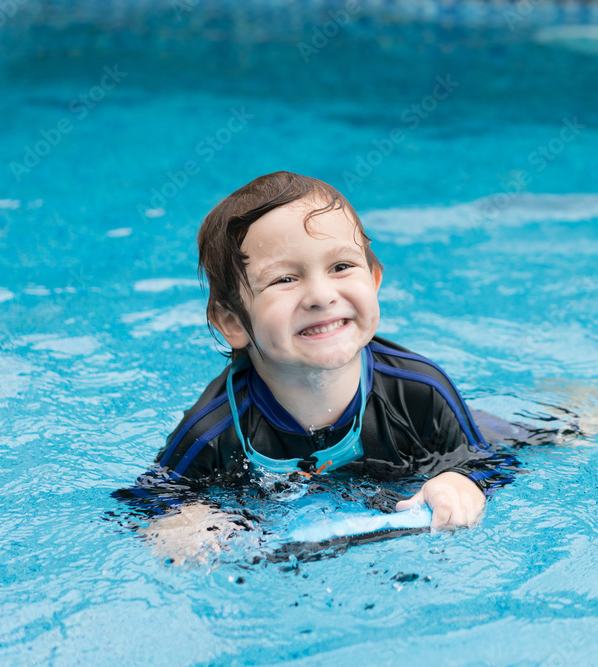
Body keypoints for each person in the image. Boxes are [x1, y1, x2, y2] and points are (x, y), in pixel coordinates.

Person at [134, 171, 516, 562]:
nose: (320, 295)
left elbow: (489, 462)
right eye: (284, 278)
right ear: (232, 321)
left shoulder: (420, 392)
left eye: (341, 267)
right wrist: (183, 522)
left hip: (449, 434)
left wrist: (462, 483)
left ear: (374, 279)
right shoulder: (213, 432)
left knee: (542, 432)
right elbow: (150, 500)